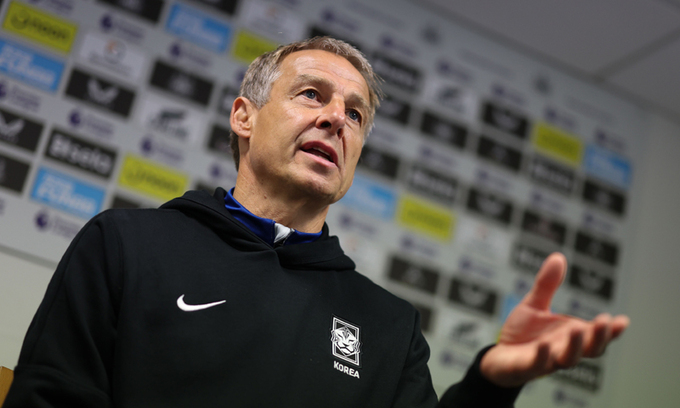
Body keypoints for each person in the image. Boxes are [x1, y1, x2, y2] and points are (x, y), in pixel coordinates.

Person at [4, 37, 629, 407]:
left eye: (355, 115)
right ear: (244, 117)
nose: (336, 119)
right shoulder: (125, 244)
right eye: (311, 95)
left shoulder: (389, 326)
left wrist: (489, 385)